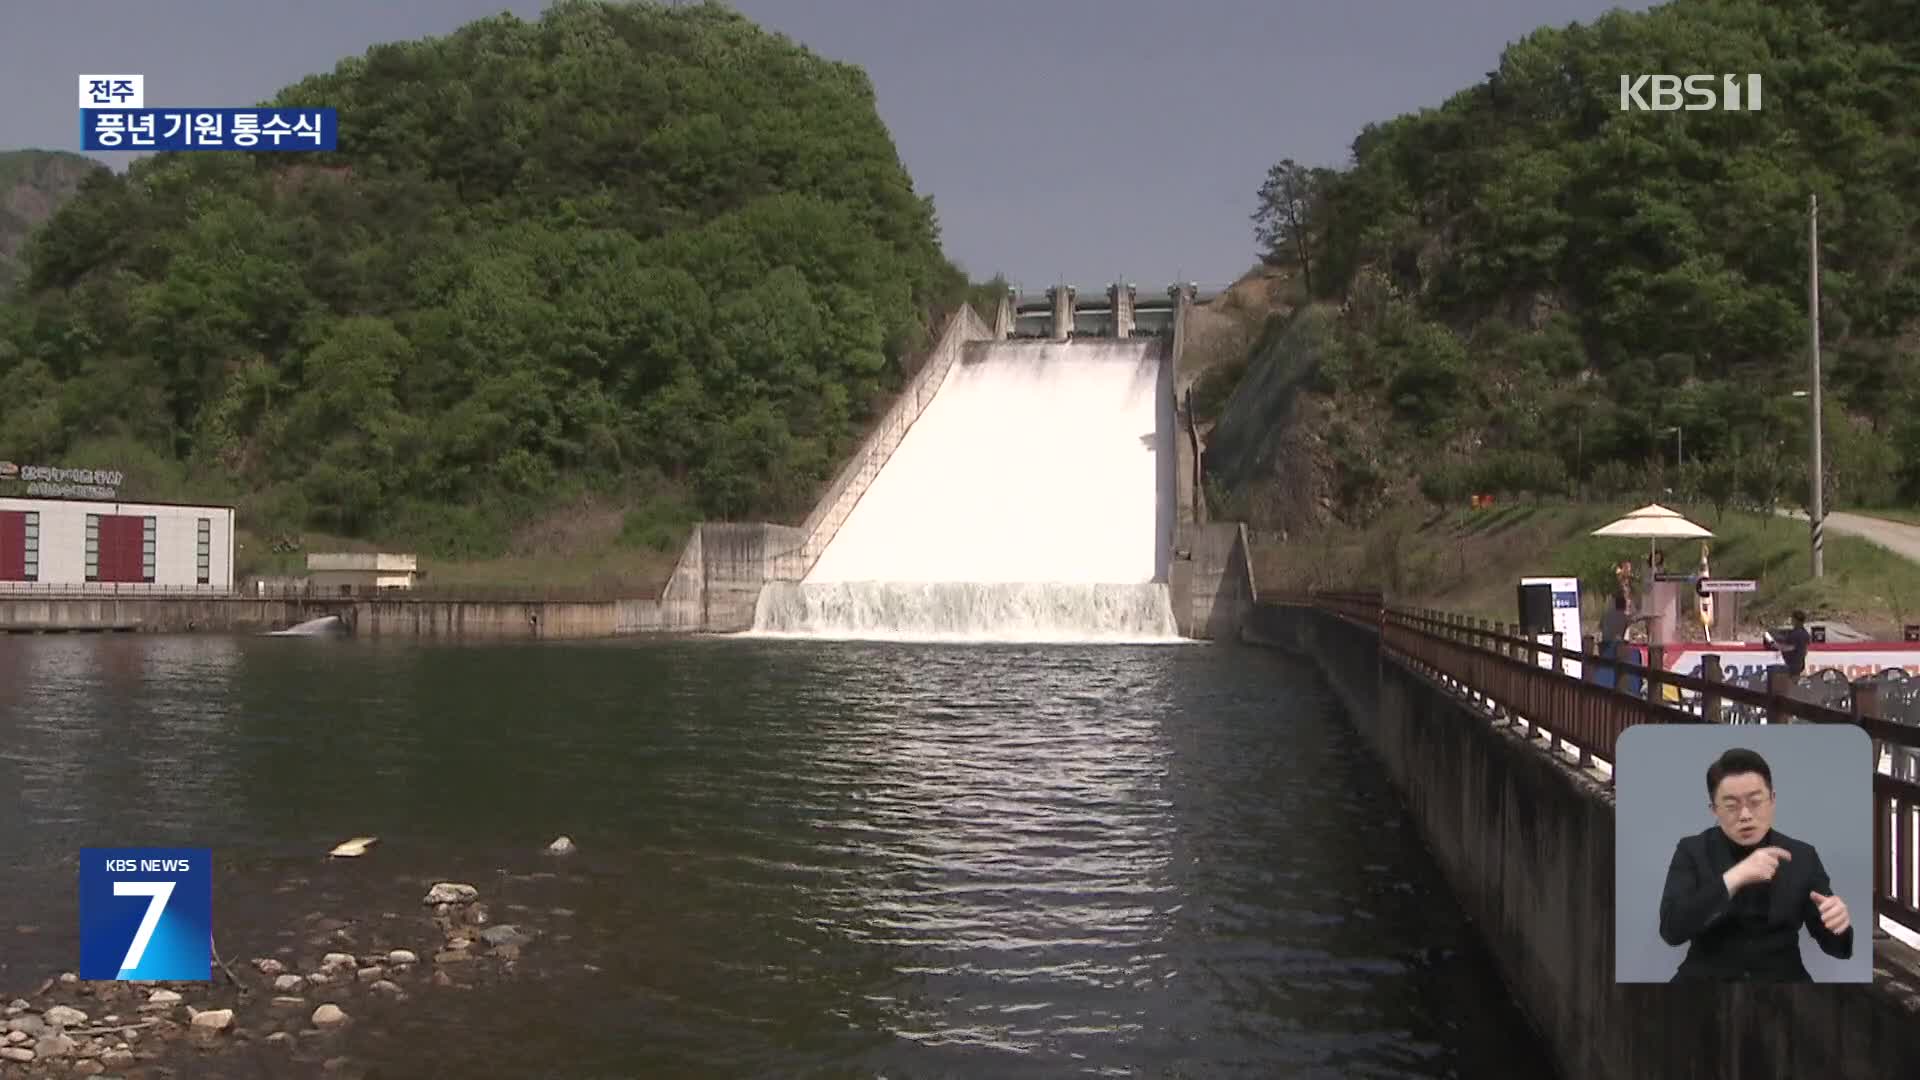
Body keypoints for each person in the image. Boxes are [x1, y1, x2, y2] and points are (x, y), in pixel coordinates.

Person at [1657, 748, 1853, 981]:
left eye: (1755, 802)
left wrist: (1838, 924)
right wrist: (1735, 877)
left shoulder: (1802, 856)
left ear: (1772, 800)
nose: (1745, 815)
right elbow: (1672, 930)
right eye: (1731, 806)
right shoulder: (1692, 850)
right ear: (1714, 810)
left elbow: (1838, 949)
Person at [1763, 610, 1812, 677]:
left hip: (1792, 666)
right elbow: (1805, 651)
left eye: (1792, 618)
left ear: (1795, 620)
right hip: (1799, 665)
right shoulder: (1805, 633)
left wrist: (1772, 642)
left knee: (1771, 671)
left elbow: (1786, 648)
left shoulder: (1796, 634)